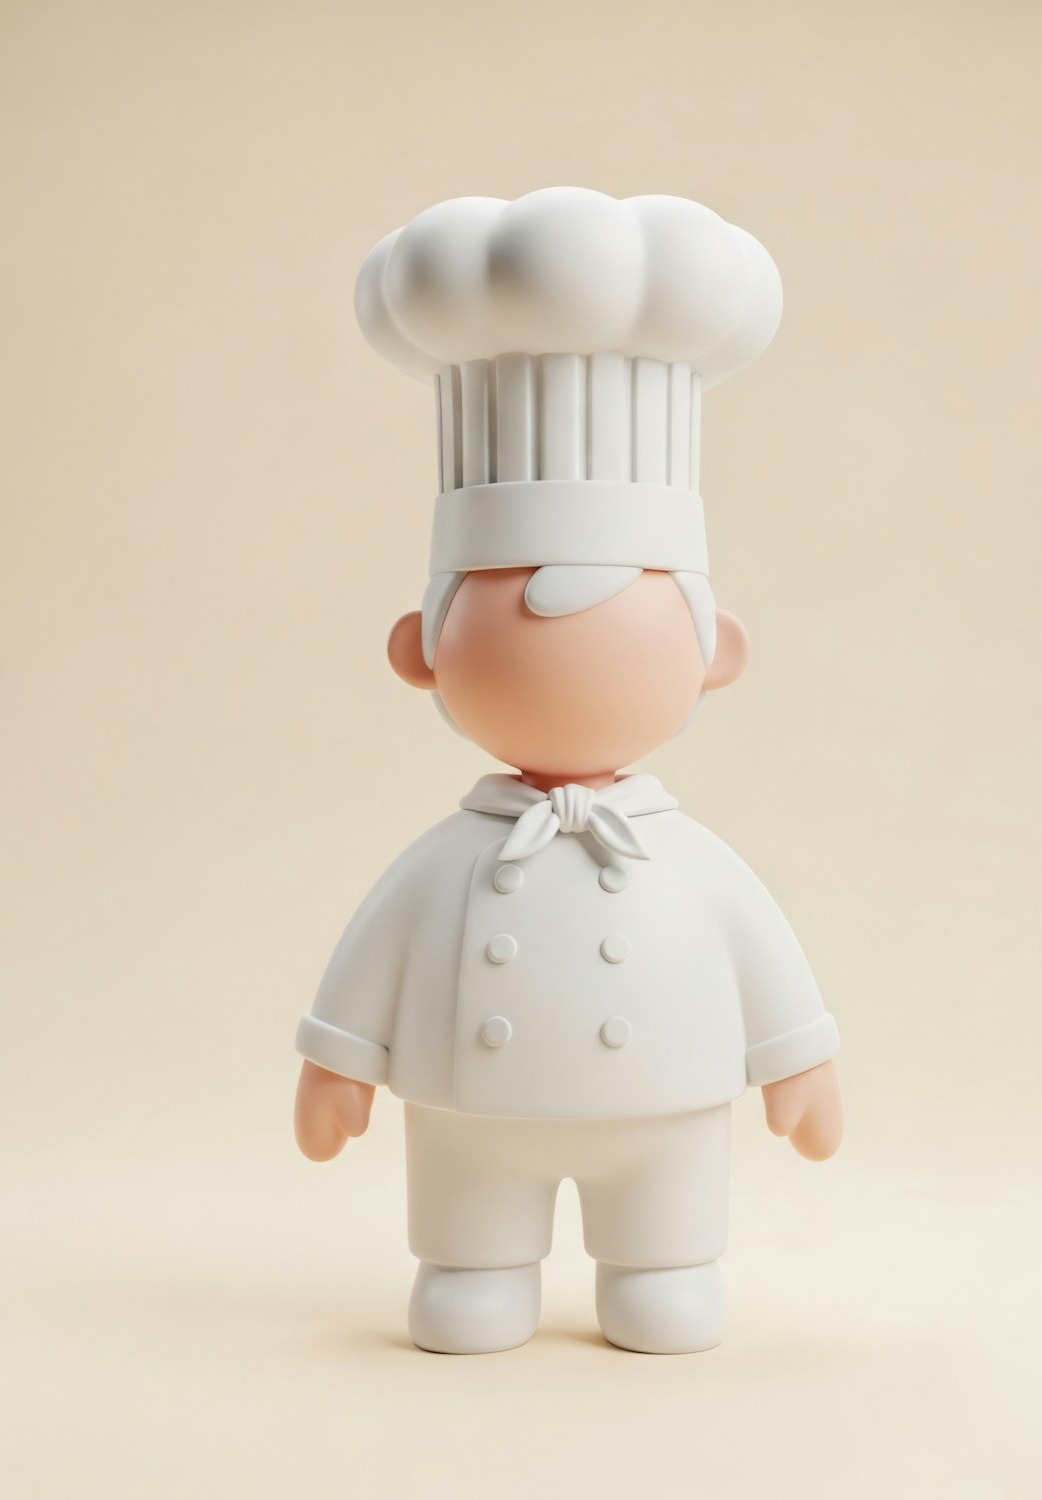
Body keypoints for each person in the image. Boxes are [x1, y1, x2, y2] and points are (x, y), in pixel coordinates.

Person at [294, 188, 843, 1355]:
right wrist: (337, 1063)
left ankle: (661, 1272)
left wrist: (798, 1061)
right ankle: (474, 1271)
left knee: (665, 1262)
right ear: (421, 653)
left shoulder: (691, 861)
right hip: (471, 1113)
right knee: (469, 1261)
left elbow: (759, 946)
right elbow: (376, 947)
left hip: (665, 1110)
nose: (573, 664)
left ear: (716, 656)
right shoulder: (447, 860)